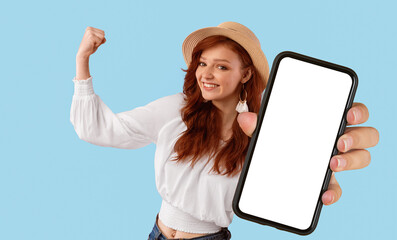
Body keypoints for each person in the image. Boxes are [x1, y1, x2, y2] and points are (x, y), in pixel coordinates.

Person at [70, 22, 379, 240]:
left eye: (221, 66)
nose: (206, 73)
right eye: (202, 63)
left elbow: (281, 192)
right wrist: (82, 60)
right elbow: (99, 129)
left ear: (246, 73)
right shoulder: (176, 110)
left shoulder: (262, 133)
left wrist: (314, 170)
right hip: (157, 233)